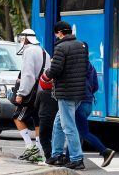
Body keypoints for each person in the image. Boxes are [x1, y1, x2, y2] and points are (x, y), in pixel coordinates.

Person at [42, 21, 87, 170]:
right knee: (58, 123)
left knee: (68, 126)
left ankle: (76, 158)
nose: (56, 36)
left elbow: (55, 70)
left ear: (60, 33)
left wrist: (46, 74)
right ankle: (57, 155)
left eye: (56, 34)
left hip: (66, 92)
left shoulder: (61, 47)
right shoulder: (81, 45)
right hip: (79, 92)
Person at [73, 43, 115, 167]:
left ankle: (105, 151)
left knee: (82, 132)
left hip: (79, 102)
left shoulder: (76, 66)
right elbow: (95, 85)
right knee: (77, 132)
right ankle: (68, 157)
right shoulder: (90, 66)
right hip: (88, 103)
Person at [13, 29, 51, 162]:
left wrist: (21, 93)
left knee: (17, 117)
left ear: (26, 39)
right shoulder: (43, 51)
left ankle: (30, 146)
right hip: (43, 92)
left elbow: (28, 75)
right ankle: (38, 150)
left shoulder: (29, 51)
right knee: (37, 119)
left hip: (31, 93)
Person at [34, 75, 58, 165]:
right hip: (54, 118)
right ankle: (55, 154)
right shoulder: (56, 93)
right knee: (53, 137)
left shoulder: (40, 94)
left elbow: (35, 106)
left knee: (43, 138)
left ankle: (48, 156)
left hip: (43, 119)